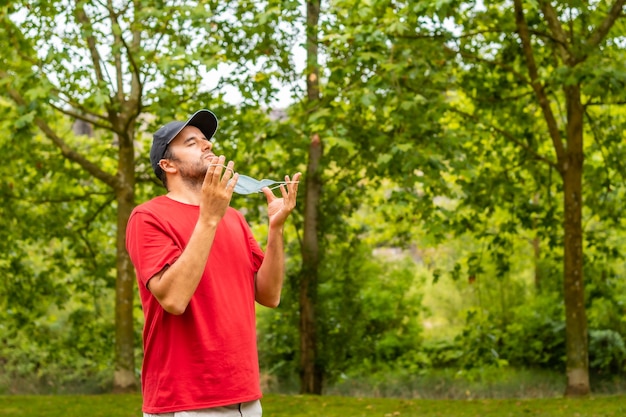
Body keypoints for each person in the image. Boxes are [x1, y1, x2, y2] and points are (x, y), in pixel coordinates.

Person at [125, 109, 301, 417]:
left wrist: (276, 229)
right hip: (186, 401)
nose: (207, 145)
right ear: (168, 165)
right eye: (191, 143)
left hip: (245, 397)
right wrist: (208, 218)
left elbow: (269, 295)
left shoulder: (233, 218)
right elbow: (174, 299)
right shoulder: (148, 217)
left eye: (206, 140)